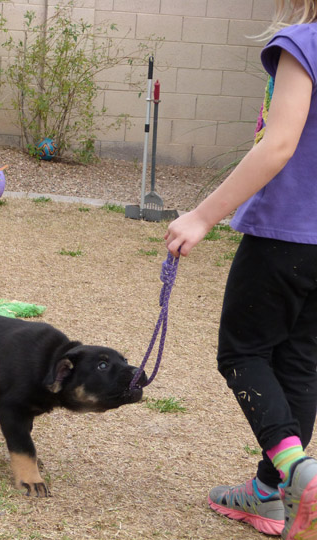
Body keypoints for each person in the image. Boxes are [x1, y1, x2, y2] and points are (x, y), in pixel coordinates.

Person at [164, 2, 317, 538]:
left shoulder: (306, 41)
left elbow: (278, 144)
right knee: (299, 365)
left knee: (243, 353)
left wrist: (203, 216)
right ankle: (268, 493)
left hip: (286, 235)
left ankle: (299, 473)